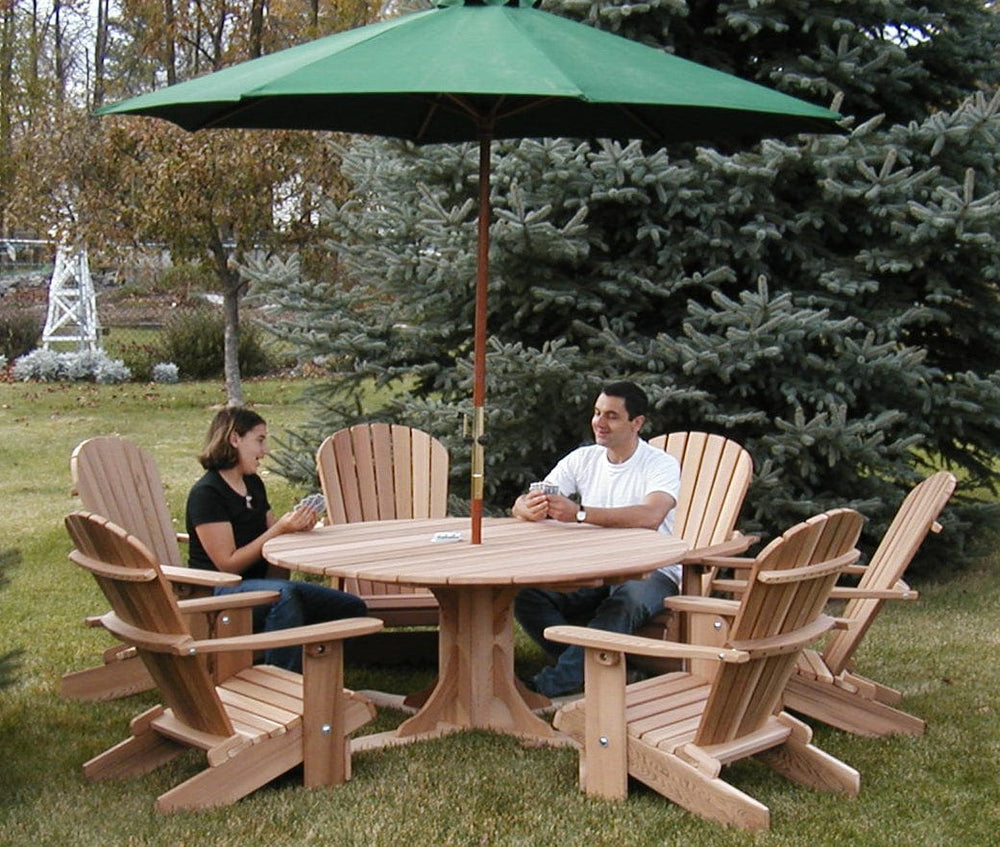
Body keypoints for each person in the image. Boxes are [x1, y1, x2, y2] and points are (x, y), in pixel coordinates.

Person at [512, 381, 681, 697]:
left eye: (612, 416)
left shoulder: (659, 464)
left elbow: (651, 515)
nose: (599, 423)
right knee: (527, 596)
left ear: (637, 423)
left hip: (650, 571)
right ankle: (594, 667)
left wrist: (579, 513)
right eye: (597, 413)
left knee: (624, 603)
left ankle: (548, 686)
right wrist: (525, 507)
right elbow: (534, 497)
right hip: (595, 569)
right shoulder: (583, 459)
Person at [186, 406, 367, 673]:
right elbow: (228, 565)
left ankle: (317, 675)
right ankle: (281, 680)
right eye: (259, 440)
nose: (265, 450)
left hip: (263, 586)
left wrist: (296, 530)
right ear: (234, 439)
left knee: (350, 607)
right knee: (284, 598)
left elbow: (274, 548)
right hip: (218, 593)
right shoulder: (207, 494)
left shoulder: (253, 484)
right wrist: (280, 529)